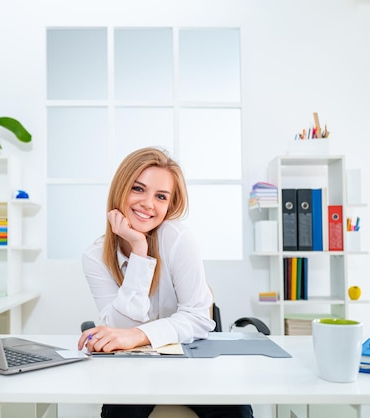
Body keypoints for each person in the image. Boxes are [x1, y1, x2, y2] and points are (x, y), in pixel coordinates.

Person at [77, 147, 253, 418]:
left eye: (161, 196)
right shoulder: (95, 256)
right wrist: (139, 250)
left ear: (169, 205)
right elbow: (120, 327)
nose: (149, 203)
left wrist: (139, 335)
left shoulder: (178, 239)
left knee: (235, 412)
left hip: (190, 359)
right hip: (132, 366)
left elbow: (199, 317)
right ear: (120, 190)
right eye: (138, 189)